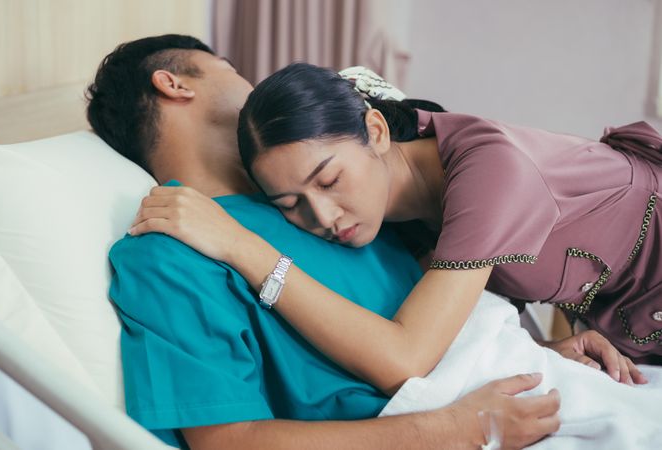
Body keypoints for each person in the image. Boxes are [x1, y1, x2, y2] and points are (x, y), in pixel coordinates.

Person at [86, 35, 560, 450]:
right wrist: (454, 432)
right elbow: (227, 441)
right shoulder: (166, 251)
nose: (319, 213)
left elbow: (450, 316)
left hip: (533, 389)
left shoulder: (349, 201)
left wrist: (549, 356)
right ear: (174, 83)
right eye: (229, 68)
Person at [132, 62, 660, 397]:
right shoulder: (395, 213)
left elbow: (404, 359)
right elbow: (478, 321)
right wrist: (548, 352)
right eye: (291, 203)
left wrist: (242, 248)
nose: (324, 217)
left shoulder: (490, 176)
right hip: (622, 312)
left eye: (330, 180)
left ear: (377, 130)